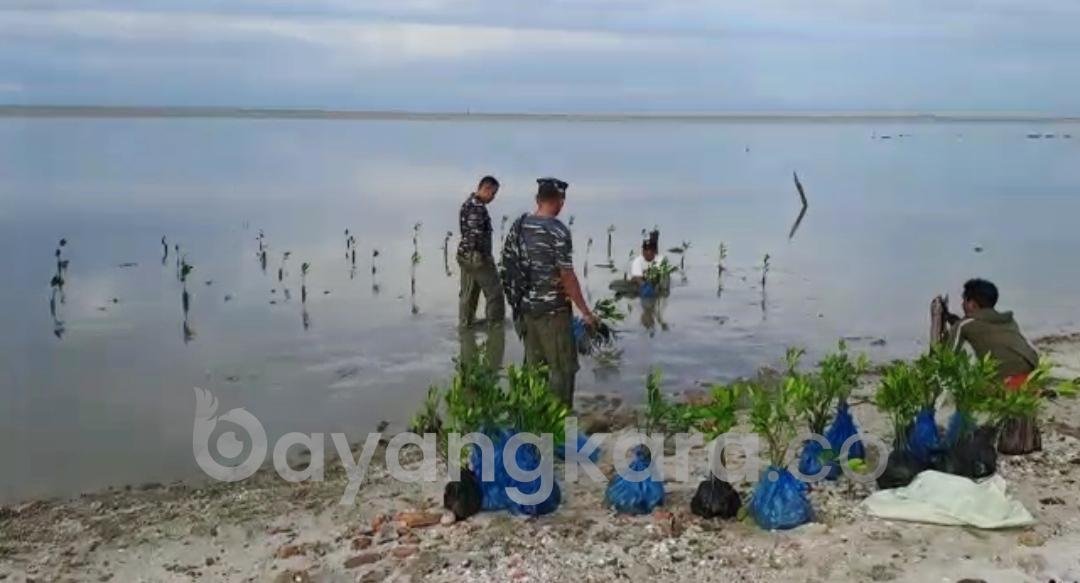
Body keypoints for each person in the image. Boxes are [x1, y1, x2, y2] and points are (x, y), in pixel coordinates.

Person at [501, 177, 597, 406]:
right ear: (560, 201)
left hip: (525, 310)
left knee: (535, 369)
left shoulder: (520, 224)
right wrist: (585, 312)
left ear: (538, 199)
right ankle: (560, 424)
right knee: (562, 369)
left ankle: (534, 420)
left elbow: (510, 265)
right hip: (553, 313)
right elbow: (567, 275)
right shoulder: (557, 230)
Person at [941, 278, 1038, 386]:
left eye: (964, 300)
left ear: (972, 304)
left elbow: (948, 357)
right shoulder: (1008, 320)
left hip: (1003, 380)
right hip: (1031, 371)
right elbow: (982, 327)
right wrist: (954, 320)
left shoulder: (963, 325)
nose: (962, 304)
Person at [457, 175, 505, 329]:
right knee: (494, 292)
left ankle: (466, 324)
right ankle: (496, 324)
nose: (493, 197)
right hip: (476, 257)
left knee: (469, 292)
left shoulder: (467, 204)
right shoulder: (476, 207)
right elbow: (474, 235)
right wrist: (481, 259)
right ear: (486, 188)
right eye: (493, 193)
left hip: (465, 255)